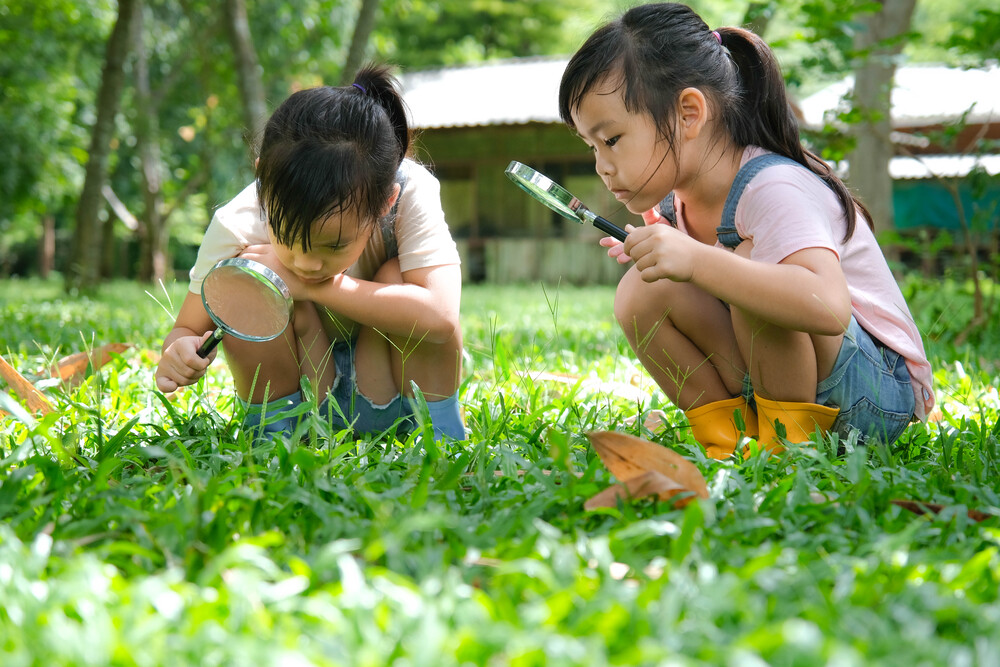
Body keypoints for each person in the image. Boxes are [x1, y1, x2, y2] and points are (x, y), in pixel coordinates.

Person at [557, 3, 933, 457]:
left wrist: (697, 260)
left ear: (689, 113)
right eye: (592, 147)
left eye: (612, 140)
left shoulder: (772, 185)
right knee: (642, 288)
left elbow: (828, 307)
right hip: (780, 380)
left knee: (751, 264)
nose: (602, 165)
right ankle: (727, 440)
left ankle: (789, 447)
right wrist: (667, 258)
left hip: (871, 394)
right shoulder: (673, 203)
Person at [155, 64, 465, 441]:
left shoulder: (410, 190)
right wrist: (179, 351)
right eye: (286, 234)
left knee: (397, 277)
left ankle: (442, 435)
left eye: (333, 245)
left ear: (386, 201)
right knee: (248, 280)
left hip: (393, 385)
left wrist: (314, 288)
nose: (306, 263)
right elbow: (186, 329)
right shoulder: (236, 223)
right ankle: (273, 433)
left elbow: (440, 316)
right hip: (307, 391)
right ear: (263, 180)